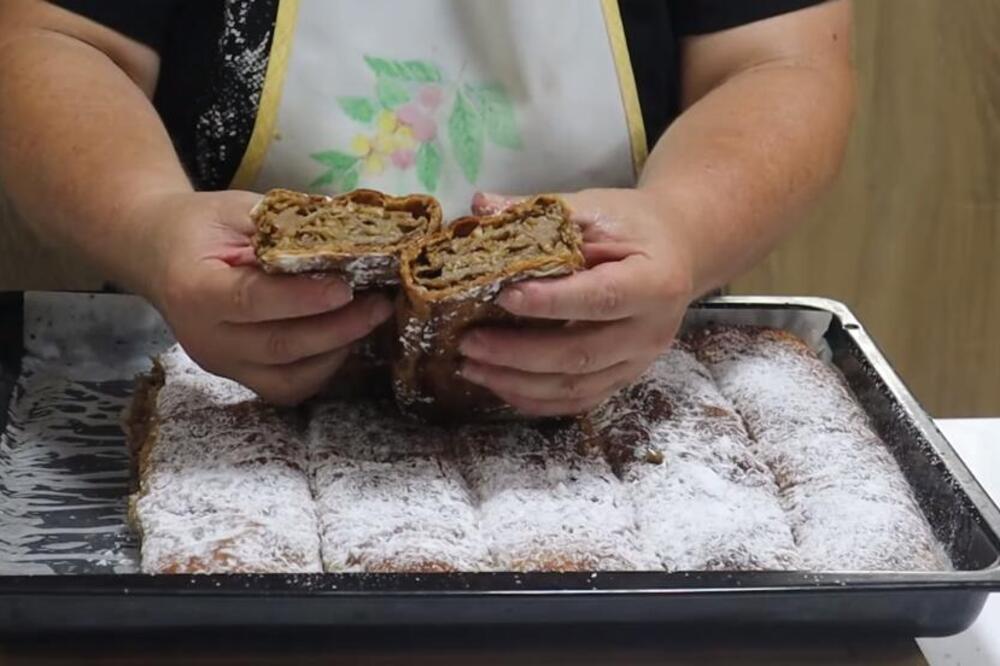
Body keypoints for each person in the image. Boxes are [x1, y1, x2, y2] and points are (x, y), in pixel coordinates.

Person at [0, 0, 854, 415]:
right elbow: (53, 38)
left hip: (617, 369)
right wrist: (148, 222)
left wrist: (686, 229)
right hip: (210, 370)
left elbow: (777, 64)